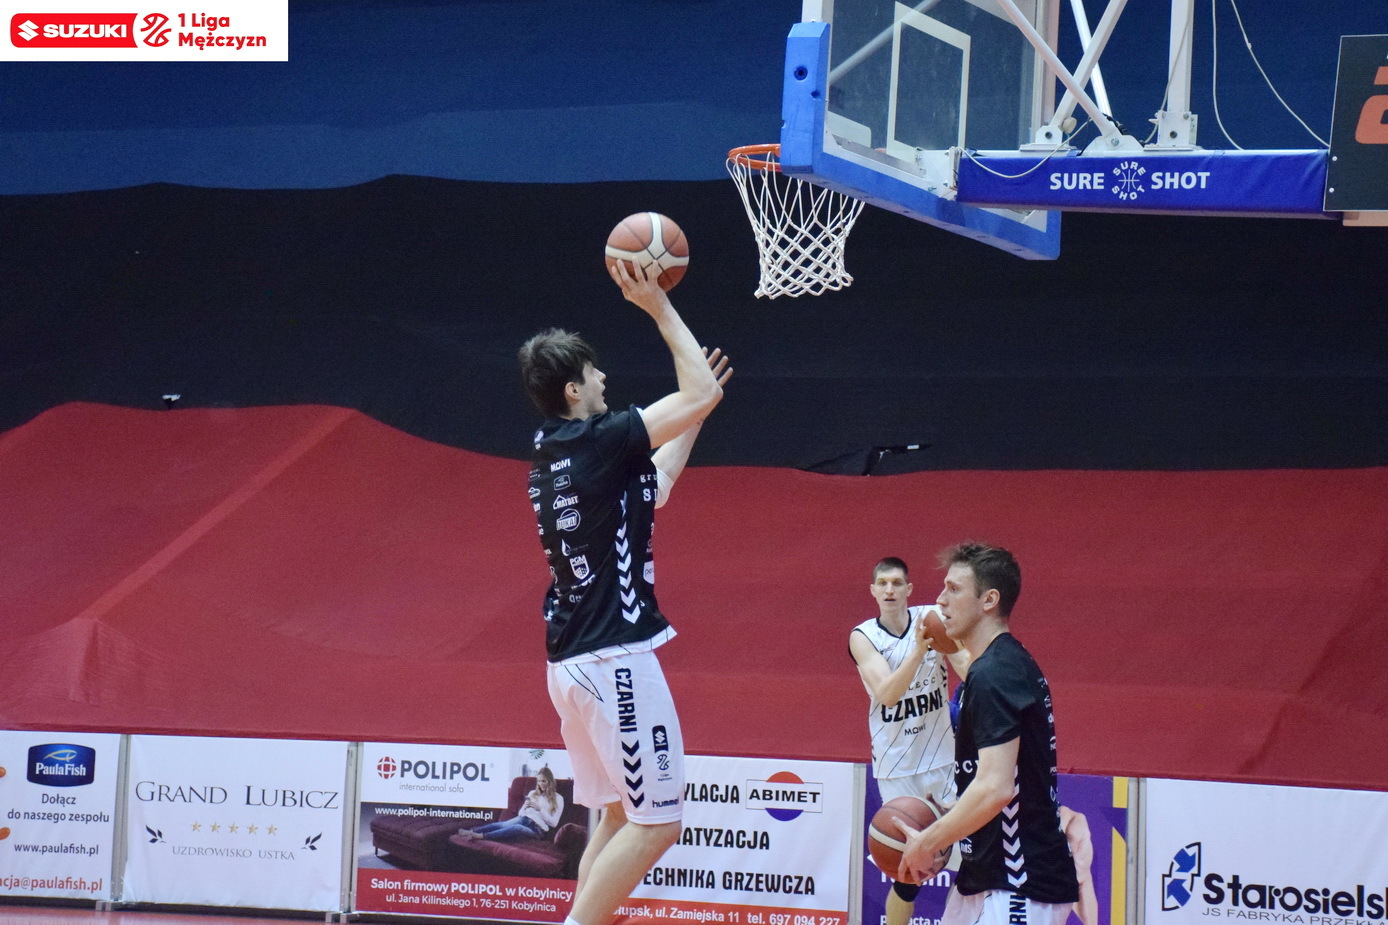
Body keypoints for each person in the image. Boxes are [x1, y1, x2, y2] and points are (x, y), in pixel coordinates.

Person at [517, 260, 730, 925]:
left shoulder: (557, 453)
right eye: (595, 372)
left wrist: (694, 415)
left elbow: (654, 485)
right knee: (657, 822)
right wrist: (658, 305)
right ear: (574, 389)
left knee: (614, 815)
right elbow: (697, 390)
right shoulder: (599, 441)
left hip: (573, 662)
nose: (606, 379)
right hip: (614, 660)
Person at [899, 543, 1078, 925]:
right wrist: (956, 813)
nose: (940, 600)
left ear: (989, 600)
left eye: (954, 589)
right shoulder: (1000, 664)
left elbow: (996, 789)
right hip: (985, 877)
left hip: (1019, 882)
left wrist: (928, 842)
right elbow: (1010, 776)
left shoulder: (994, 673)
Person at [850, 557, 971, 925]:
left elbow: (967, 668)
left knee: (974, 863)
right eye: (883, 583)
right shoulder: (863, 637)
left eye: (897, 583)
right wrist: (920, 650)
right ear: (873, 591)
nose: (890, 590)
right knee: (909, 877)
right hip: (898, 769)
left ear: (909, 589)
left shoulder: (931, 618)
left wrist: (956, 651)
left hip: (943, 761)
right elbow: (887, 694)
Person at [458, 768, 565, 842]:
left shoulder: (558, 799)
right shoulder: (533, 793)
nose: (540, 784)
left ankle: (481, 836)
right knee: (502, 825)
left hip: (538, 830)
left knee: (517, 828)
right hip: (524, 819)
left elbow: (554, 823)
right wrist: (525, 807)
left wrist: (540, 809)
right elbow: (520, 813)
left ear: (550, 781)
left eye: (543, 781)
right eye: (538, 781)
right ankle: (471, 831)